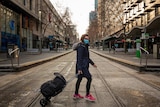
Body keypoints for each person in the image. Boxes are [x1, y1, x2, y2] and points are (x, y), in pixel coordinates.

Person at [73, 34, 97, 101]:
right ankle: (87, 95)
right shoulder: (81, 47)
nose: (87, 40)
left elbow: (87, 58)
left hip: (84, 66)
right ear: (82, 39)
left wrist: (92, 63)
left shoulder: (85, 46)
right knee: (89, 78)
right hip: (82, 67)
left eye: (88, 39)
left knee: (79, 79)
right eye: (85, 38)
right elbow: (79, 58)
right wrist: (79, 68)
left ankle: (76, 94)